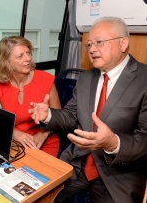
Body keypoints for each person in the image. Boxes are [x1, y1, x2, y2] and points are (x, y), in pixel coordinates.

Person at [29, 16, 147, 203]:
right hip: (79, 161)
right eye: (89, 44)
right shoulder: (86, 78)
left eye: (99, 42)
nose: (92, 49)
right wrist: (48, 114)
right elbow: (71, 116)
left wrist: (112, 143)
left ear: (123, 43)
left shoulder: (144, 80)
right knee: (37, 196)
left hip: (118, 174)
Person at [0, 36, 61, 157]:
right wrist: (13, 133)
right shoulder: (0, 84)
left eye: (28, 53)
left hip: (44, 140)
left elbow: (60, 118)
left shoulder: (46, 79)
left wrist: (43, 135)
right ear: (6, 62)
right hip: (14, 141)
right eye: (20, 56)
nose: (28, 59)